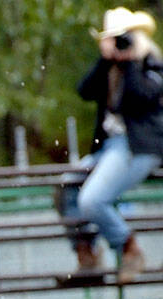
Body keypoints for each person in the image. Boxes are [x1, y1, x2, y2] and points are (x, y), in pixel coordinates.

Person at [61, 7, 163, 283]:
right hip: (110, 148)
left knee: (92, 200)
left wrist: (128, 62)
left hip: (137, 147)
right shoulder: (109, 68)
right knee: (67, 186)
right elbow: (84, 91)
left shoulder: (152, 65)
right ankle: (88, 256)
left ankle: (129, 248)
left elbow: (140, 98)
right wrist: (105, 61)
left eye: (123, 37)